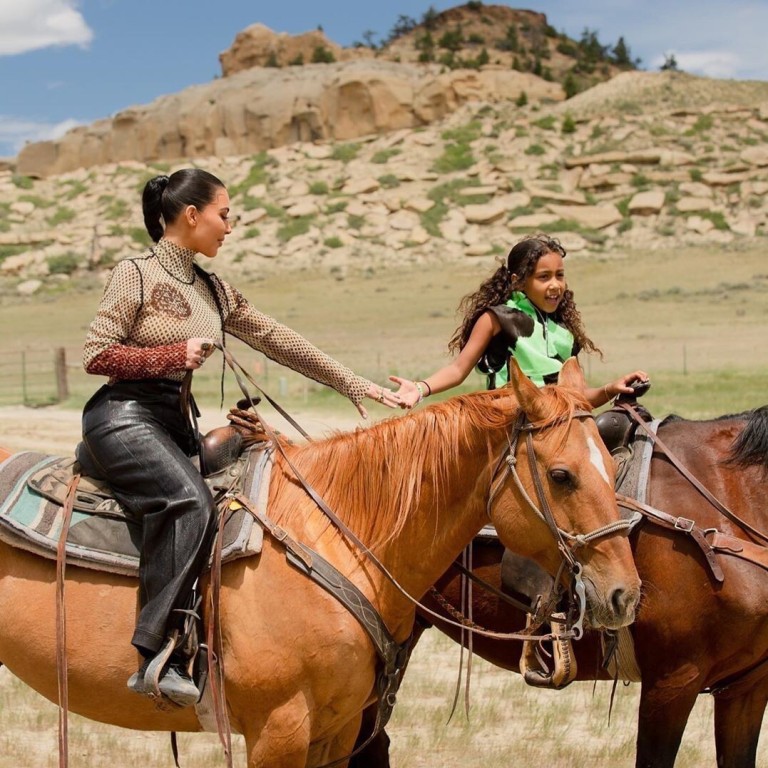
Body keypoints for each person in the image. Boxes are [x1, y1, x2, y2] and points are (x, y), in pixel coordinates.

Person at [78, 168, 401, 707]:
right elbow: (96, 353)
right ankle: (156, 654)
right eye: (224, 215)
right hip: (123, 418)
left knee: (260, 465)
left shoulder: (210, 287)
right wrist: (170, 356)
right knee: (189, 502)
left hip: (174, 423)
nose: (230, 225)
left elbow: (277, 338)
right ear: (191, 215)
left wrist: (354, 383)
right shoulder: (134, 273)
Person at [392, 234, 648, 409]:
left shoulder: (564, 333)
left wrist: (613, 389)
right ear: (518, 281)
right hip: (508, 421)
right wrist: (419, 388)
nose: (555, 285)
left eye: (560, 275)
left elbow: (579, 396)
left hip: (557, 424)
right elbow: (458, 370)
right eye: (544, 277)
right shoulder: (497, 319)